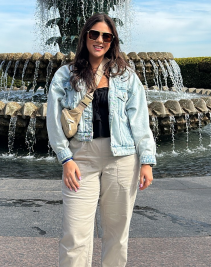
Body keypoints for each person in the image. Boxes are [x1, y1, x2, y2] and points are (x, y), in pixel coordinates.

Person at [47, 13, 156, 267]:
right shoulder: (66, 75)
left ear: (112, 41)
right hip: (81, 159)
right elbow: (53, 120)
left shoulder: (125, 75)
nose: (100, 40)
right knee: (74, 236)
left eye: (106, 36)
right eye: (94, 34)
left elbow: (139, 120)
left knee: (117, 236)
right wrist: (65, 158)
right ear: (85, 36)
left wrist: (147, 160)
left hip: (122, 158)